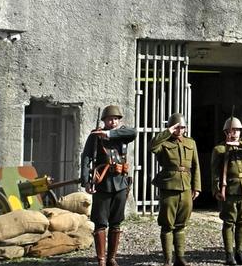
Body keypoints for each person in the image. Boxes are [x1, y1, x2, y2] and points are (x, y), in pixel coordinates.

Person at [80, 104, 137, 266]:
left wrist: (109, 134)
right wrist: (86, 181)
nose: (113, 122)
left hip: (120, 183)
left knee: (116, 222)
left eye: (115, 119)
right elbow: (86, 158)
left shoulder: (122, 134)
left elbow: (133, 132)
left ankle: (112, 257)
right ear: (104, 120)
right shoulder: (95, 136)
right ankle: (101, 259)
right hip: (102, 184)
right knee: (100, 222)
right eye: (110, 119)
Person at [151, 112, 201, 266]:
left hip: (186, 187)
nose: (180, 130)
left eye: (183, 127)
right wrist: (168, 132)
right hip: (169, 186)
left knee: (181, 224)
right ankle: (167, 260)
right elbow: (152, 146)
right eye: (177, 127)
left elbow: (196, 166)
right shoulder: (164, 143)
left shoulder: (190, 143)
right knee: (167, 225)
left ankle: (180, 258)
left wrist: (196, 187)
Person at [211, 116, 242, 265]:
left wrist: (238, 144)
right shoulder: (220, 149)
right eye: (232, 130)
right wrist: (216, 189)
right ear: (226, 132)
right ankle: (229, 254)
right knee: (228, 222)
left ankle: (240, 252)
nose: (235, 133)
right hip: (230, 189)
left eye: (237, 130)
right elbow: (214, 172)